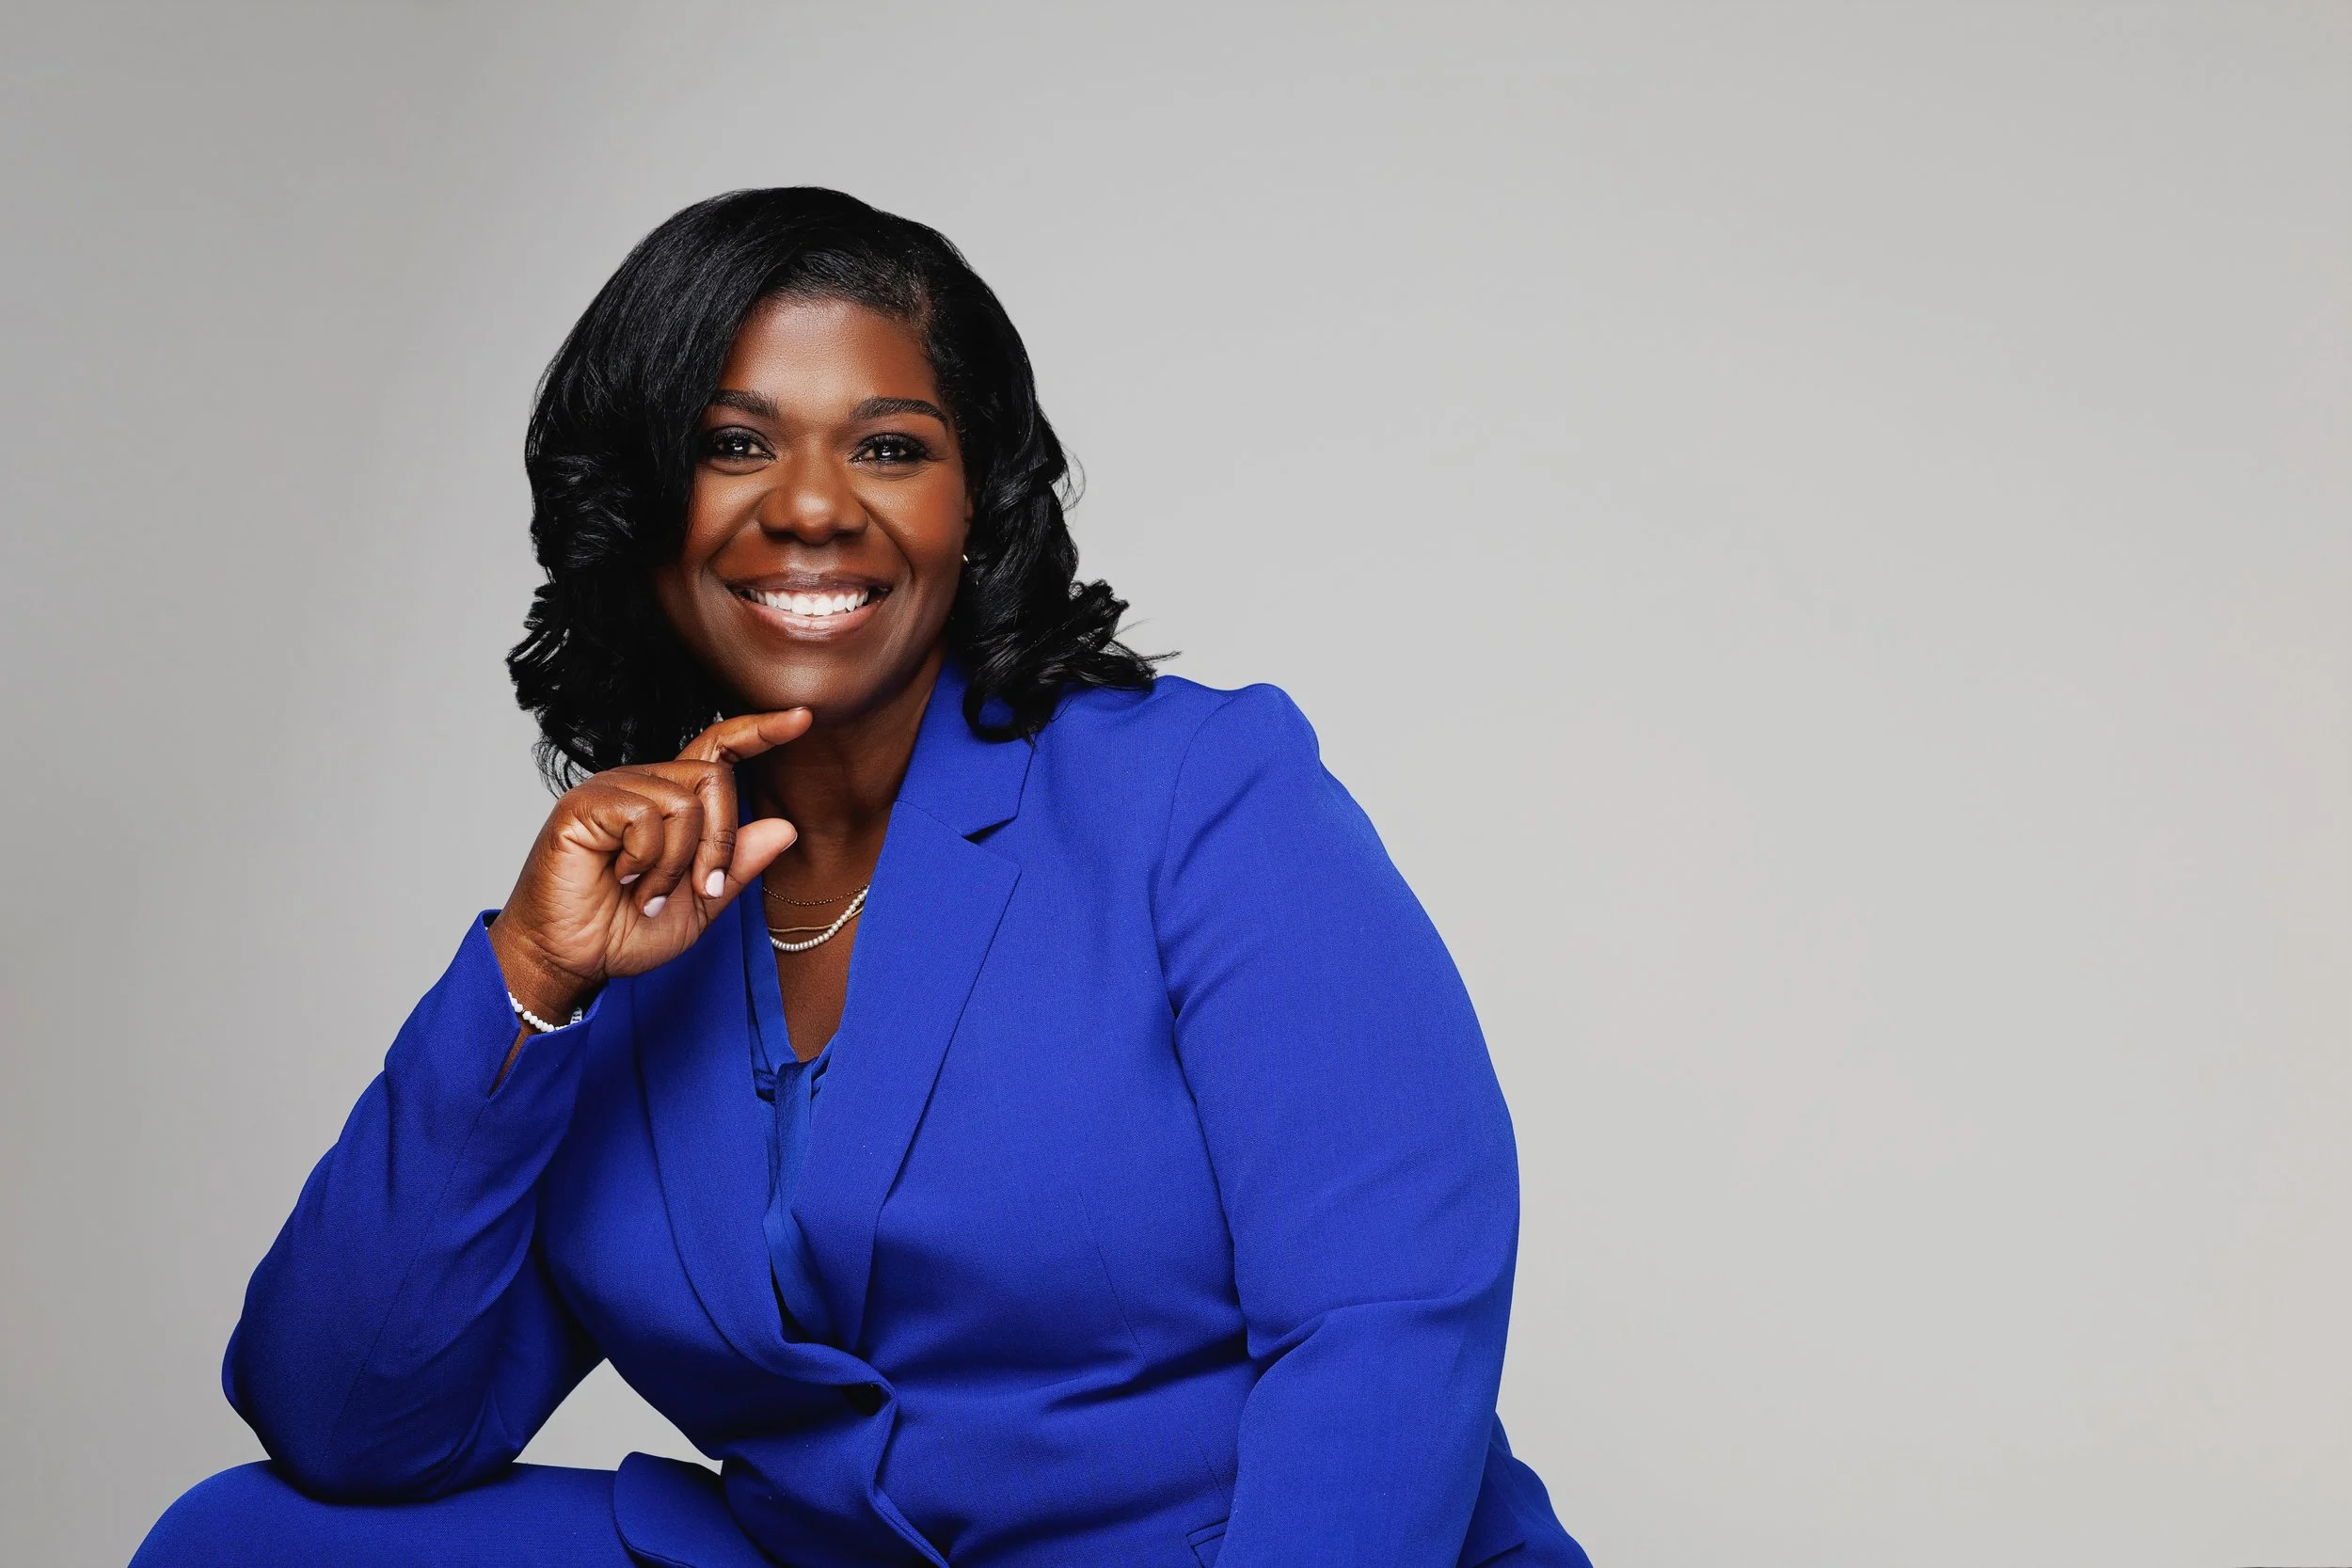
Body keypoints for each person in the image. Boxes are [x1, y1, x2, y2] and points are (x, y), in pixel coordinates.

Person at [131, 187, 1591, 1568]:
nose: (816, 506)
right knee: (241, 1541)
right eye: (736, 444)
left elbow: (1388, 1324)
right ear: (640, 505)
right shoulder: (638, 924)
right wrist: (533, 974)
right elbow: (350, 1423)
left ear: (977, 504)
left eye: (889, 448)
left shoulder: (1196, 795)